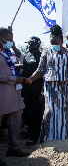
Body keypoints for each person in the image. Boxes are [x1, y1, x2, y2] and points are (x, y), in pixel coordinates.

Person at [27, 25, 68, 144]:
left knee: (63, 112)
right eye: (52, 42)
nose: (54, 45)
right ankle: (49, 139)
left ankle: (64, 139)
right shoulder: (46, 52)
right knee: (51, 112)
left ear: (62, 41)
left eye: (56, 43)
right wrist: (30, 79)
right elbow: (41, 69)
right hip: (50, 87)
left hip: (65, 87)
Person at [0, 28, 30, 164]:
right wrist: (13, 79)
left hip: (14, 93)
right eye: (9, 39)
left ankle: (14, 147)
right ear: (1, 39)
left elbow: (20, 58)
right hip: (3, 93)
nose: (11, 42)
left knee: (16, 120)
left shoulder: (7, 52)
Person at [21, 36, 44, 146]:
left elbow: (43, 74)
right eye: (29, 44)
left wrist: (42, 93)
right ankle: (29, 131)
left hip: (36, 90)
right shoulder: (26, 55)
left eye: (32, 44)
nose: (30, 46)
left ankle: (35, 135)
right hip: (26, 89)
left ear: (38, 45)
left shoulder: (41, 56)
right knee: (26, 112)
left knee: (36, 113)